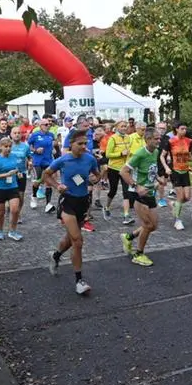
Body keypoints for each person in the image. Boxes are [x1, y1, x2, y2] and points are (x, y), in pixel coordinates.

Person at [44, 129, 100, 295]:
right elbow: (46, 175)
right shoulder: (63, 160)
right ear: (71, 144)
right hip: (67, 201)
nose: (84, 146)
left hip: (83, 202)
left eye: (85, 143)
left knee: (70, 239)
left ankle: (55, 255)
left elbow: (97, 175)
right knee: (78, 240)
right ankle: (79, 280)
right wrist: (57, 186)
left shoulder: (90, 159)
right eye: (80, 144)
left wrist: (95, 179)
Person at [121, 127, 162, 266]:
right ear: (148, 139)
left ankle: (129, 237)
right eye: (156, 138)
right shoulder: (139, 154)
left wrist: (158, 179)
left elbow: (151, 169)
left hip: (150, 193)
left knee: (153, 226)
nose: (159, 141)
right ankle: (138, 254)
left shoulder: (155, 151)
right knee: (148, 225)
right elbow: (123, 172)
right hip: (138, 194)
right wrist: (137, 186)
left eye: (159, 138)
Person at [163, 121, 192, 230]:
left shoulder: (188, 141)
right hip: (175, 171)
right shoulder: (170, 141)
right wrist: (166, 167)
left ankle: (175, 204)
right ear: (176, 129)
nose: (184, 131)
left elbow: (189, 157)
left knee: (187, 197)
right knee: (180, 197)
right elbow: (162, 156)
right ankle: (177, 220)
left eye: (185, 129)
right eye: (182, 129)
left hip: (185, 171)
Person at [0, 137, 23, 241]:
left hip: (12, 187)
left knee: (15, 210)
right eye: (6, 147)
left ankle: (12, 231)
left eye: (10, 146)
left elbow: (16, 168)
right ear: (0, 147)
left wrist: (18, 173)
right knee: (1, 212)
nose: (8, 149)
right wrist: (6, 174)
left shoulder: (13, 156)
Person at [104, 120, 132, 223]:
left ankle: (126, 215)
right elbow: (108, 154)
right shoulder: (113, 138)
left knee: (126, 192)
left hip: (125, 169)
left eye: (125, 126)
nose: (124, 128)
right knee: (113, 190)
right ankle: (106, 207)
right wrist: (120, 153)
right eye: (122, 126)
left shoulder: (129, 138)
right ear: (117, 127)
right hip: (114, 168)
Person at [27, 119, 56, 213]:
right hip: (38, 161)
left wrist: (54, 149)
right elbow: (29, 146)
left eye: (50, 124)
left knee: (48, 181)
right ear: (41, 125)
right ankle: (34, 196)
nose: (48, 126)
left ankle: (48, 204)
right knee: (38, 180)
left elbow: (53, 144)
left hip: (48, 161)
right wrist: (35, 150)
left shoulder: (51, 135)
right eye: (46, 124)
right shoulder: (35, 135)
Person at [8, 126, 33, 227]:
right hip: (9, 173)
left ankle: (17, 212)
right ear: (11, 134)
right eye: (15, 133)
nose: (17, 134)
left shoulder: (25, 146)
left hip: (21, 173)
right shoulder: (8, 145)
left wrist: (30, 163)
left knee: (21, 196)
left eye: (19, 133)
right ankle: (14, 212)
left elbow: (29, 157)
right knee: (10, 194)